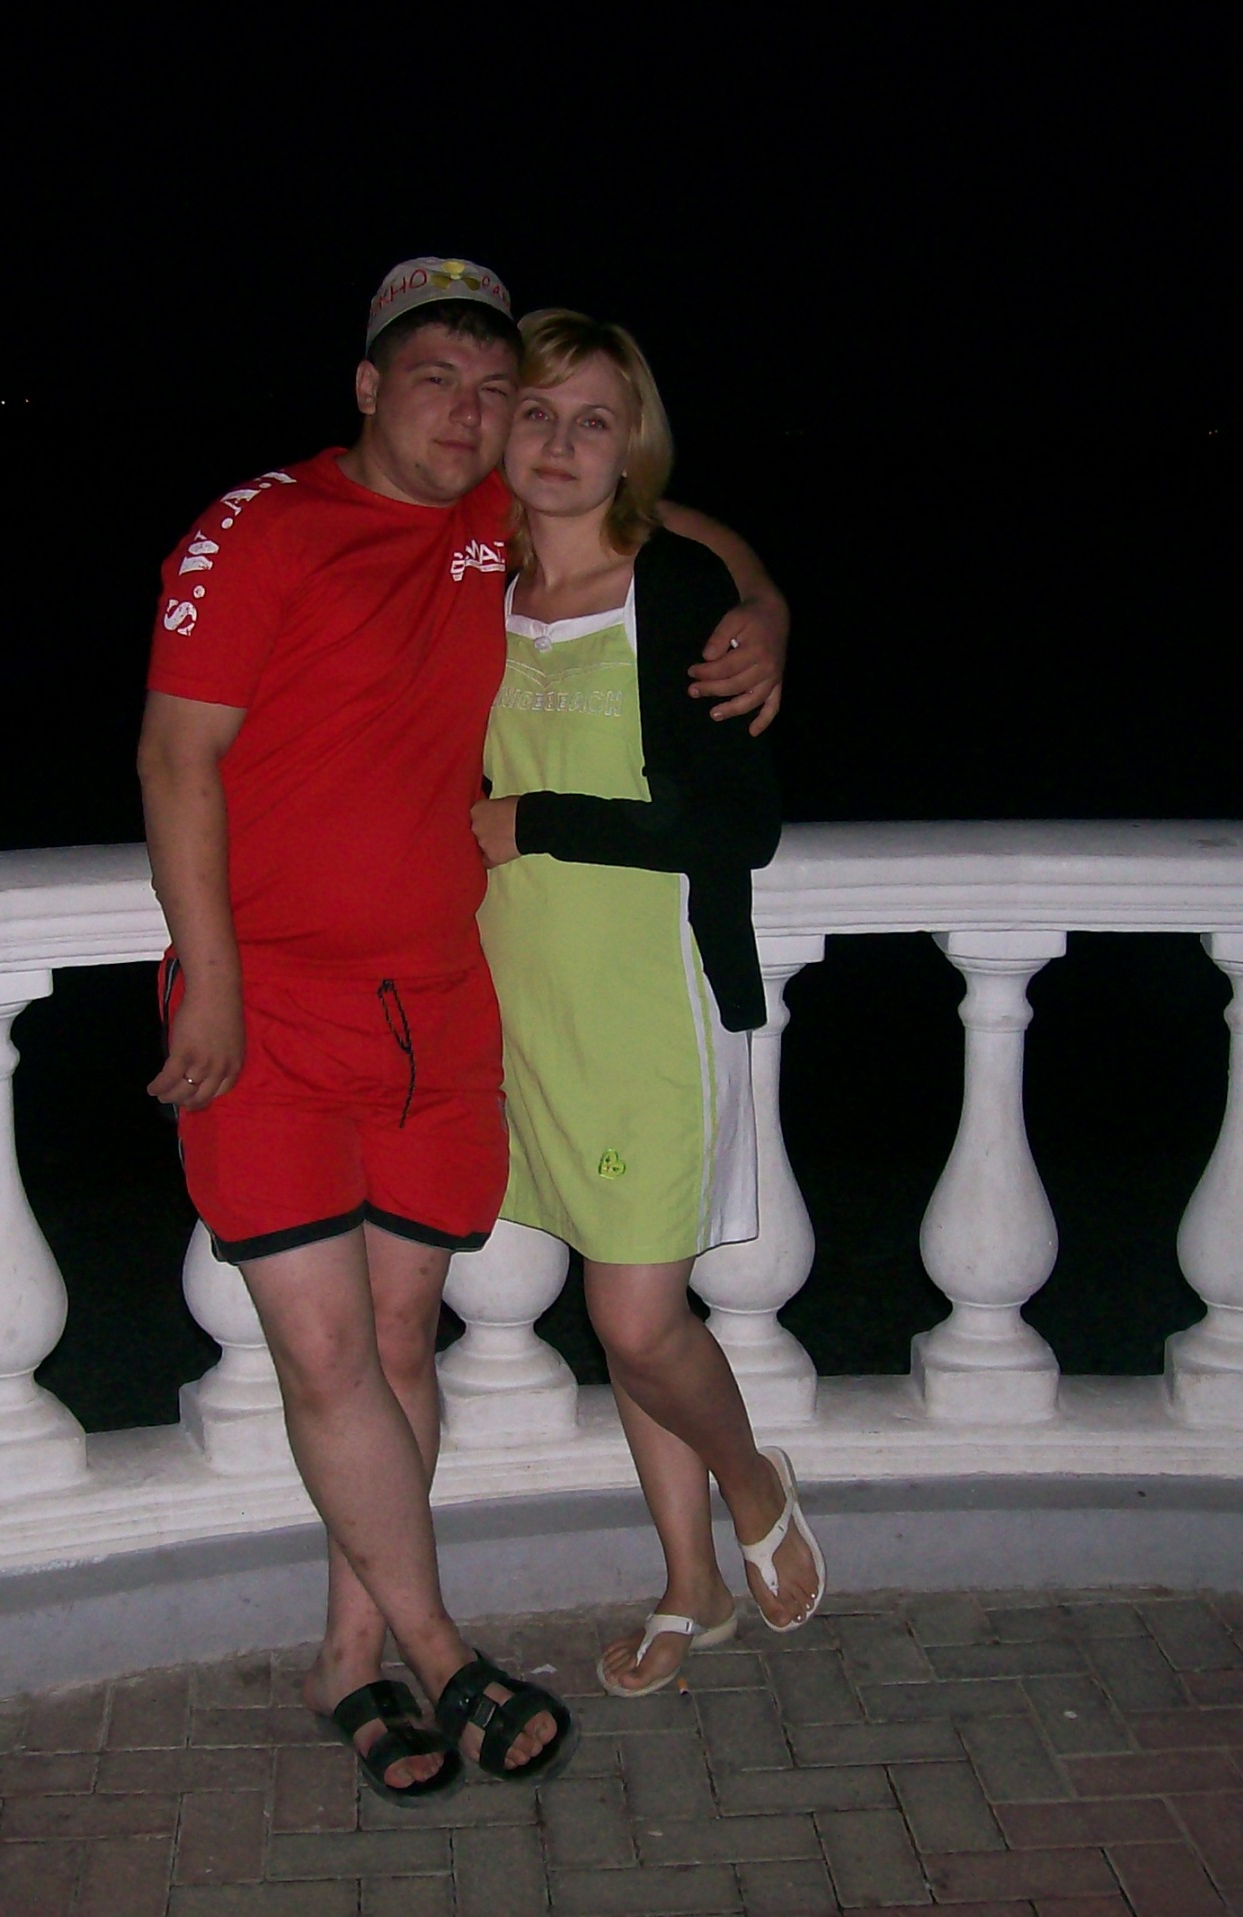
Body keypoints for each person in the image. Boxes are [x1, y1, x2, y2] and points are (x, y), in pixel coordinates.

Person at [136, 258, 787, 1799]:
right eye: (437, 380)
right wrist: (208, 974)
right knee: (324, 1349)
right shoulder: (259, 528)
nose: (473, 414)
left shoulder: (491, 519)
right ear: (368, 385)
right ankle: (439, 1650)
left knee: (398, 1338)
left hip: (436, 1008)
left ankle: (346, 1656)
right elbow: (175, 757)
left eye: (497, 392)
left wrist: (766, 607)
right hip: (276, 1010)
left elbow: (673, 528)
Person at [469, 310, 824, 1700]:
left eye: (593, 420)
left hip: (654, 1003)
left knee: (632, 1317)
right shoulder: (472, 574)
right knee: (621, 1296)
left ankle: (753, 1483)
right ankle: (691, 1585)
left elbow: (737, 821)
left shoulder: (671, 588)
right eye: (536, 411)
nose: (559, 442)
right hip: (520, 1000)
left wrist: (532, 819)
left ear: (633, 446)